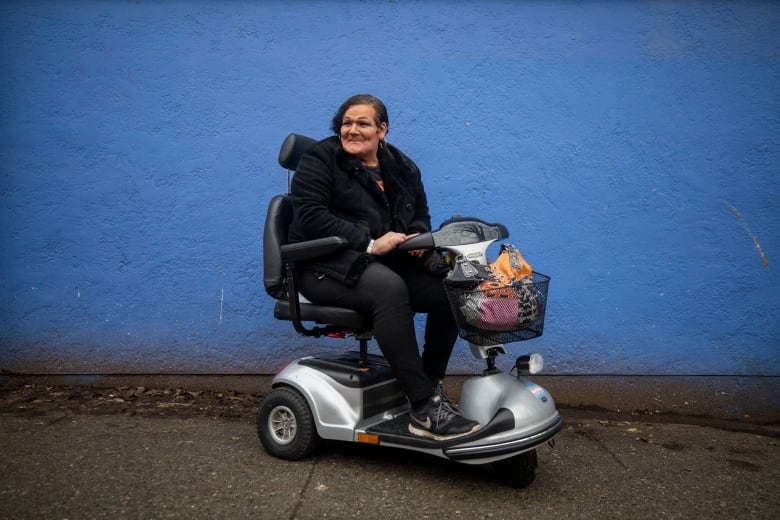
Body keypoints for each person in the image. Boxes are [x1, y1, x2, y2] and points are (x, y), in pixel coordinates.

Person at [287, 94, 480, 441]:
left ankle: (428, 388)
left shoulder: (403, 168)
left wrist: (419, 239)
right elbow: (312, 217)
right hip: (322, 264)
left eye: (362, 123)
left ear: (382, 129)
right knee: (388, 288)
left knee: (450, 289)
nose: (352, 130)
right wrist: (371, 243)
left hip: (382, 263)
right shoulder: (319, 159)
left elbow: (419, 215)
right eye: (346, 123)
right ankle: (422, 410)